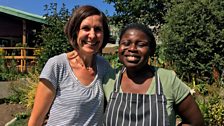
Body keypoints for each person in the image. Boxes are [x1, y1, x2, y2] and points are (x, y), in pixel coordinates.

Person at [28, 5, 114, 126]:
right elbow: (36, 120)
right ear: (75, 32)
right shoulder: (57, 65)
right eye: (86, 28)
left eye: (98, 29)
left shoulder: (104, 66)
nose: (92, 35)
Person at [103, 23, 204, 126]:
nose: (132, 48)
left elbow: (196, 122)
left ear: (151, 50)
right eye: (126, 43)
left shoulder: (167, 79)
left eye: (141, 44)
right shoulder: (109, 78)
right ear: (119, 47)